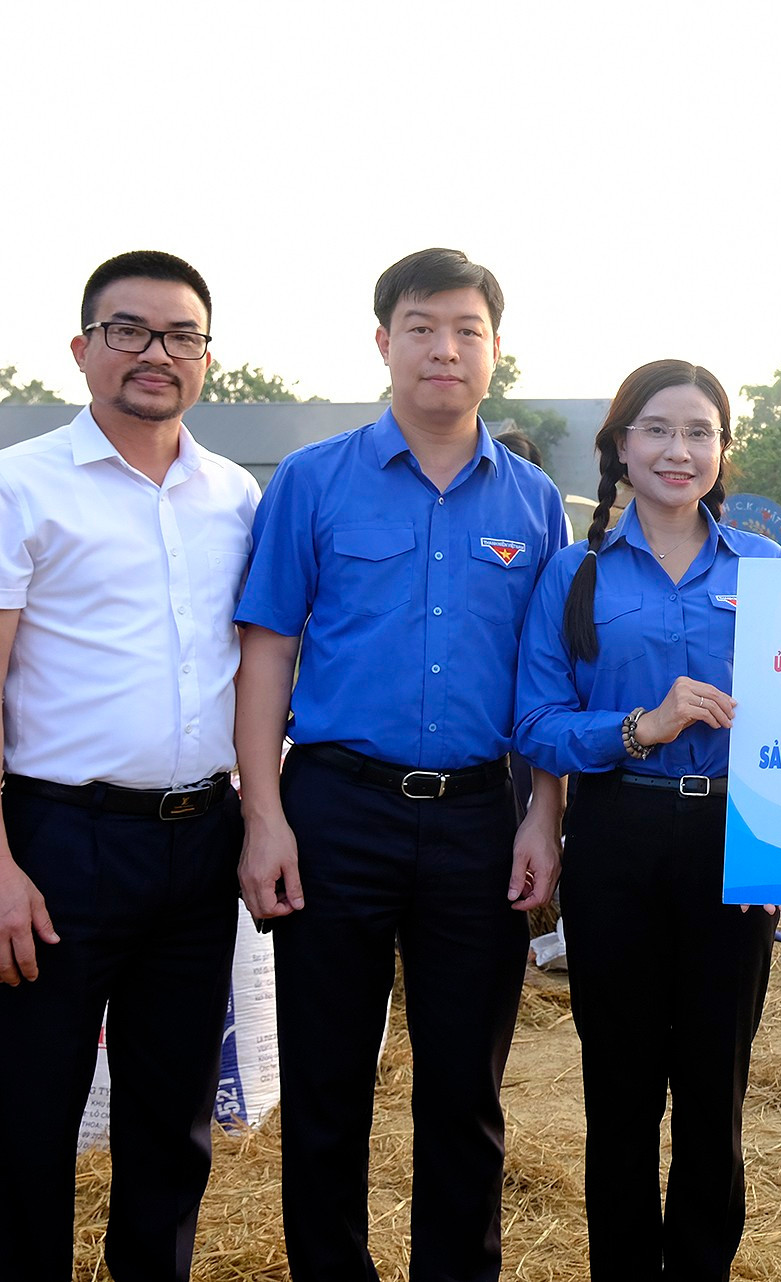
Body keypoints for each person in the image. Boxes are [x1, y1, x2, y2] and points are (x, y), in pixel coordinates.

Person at [233, 248, 570, 1282]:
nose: (445, 348)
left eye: (467, 329)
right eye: (422, 326)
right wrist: (265, 817)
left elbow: (551, 680)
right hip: (335, 807)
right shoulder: (312, 481)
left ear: (495, 351)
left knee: (464, 1092)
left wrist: (541, 818)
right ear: (384, 342)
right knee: (329, 1085)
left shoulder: (533, 504)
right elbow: (267, 649)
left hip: (480, 816)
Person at [0, 251, 258, 1282]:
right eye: (130, 331)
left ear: (206, 360)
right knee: (27, 1115)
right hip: (59, 844)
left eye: (181, 336)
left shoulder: (236, 498)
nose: (156, 354)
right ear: (82, 348)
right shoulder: (22, 485)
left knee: (171, 1123)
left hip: (200, 843)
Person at [514, 359, 781, 1280]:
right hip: (615, 842)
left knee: (717, 1087)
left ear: (723, 451)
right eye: (659, 430)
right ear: (620, 446)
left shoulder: (770, 570)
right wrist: (643, 726)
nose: (680, 450)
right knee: (620, 1091)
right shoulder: (573, 573)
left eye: (700, 432)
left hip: (735, 847)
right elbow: (537, 724)